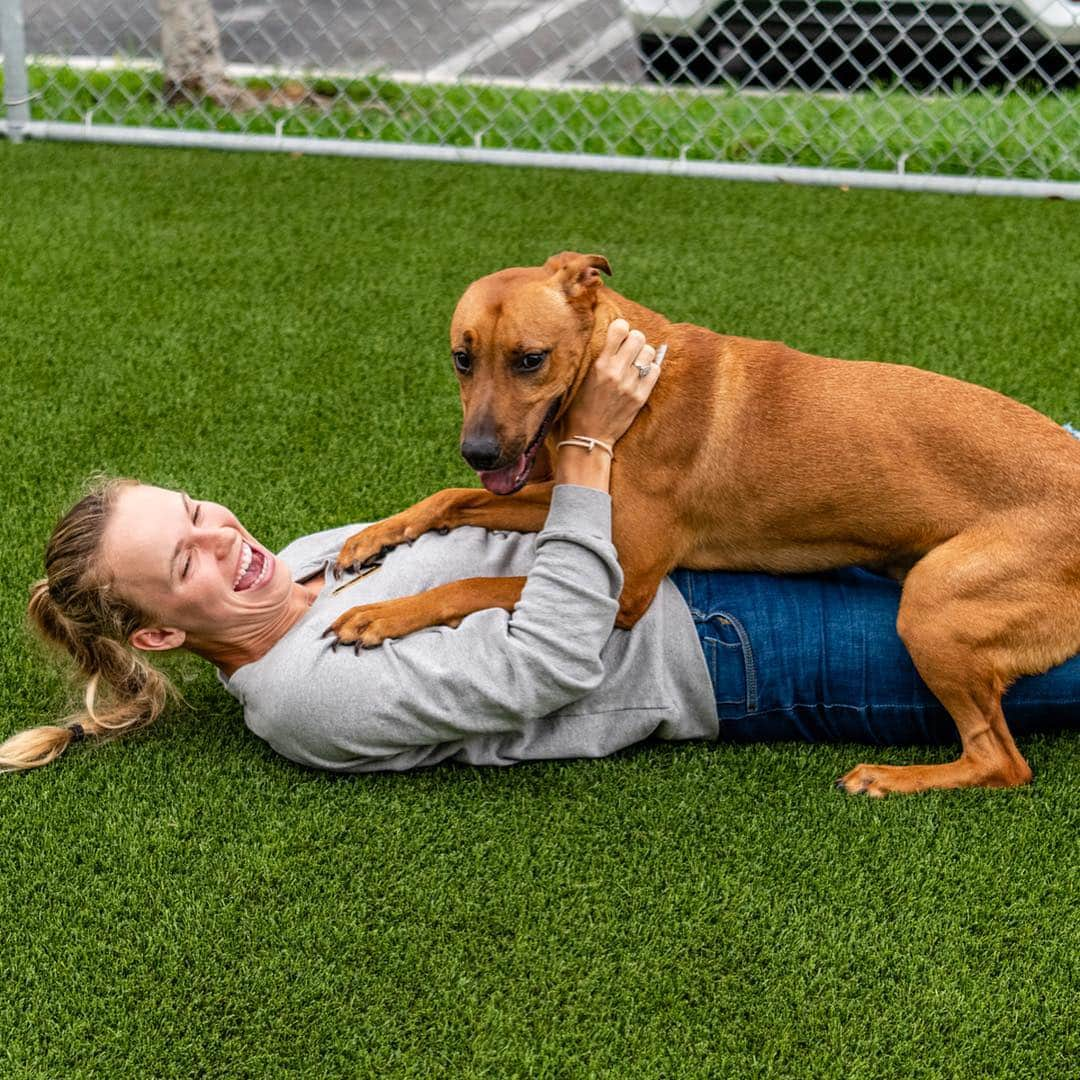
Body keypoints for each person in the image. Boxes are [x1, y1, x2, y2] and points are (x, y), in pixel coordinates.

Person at [3, 322, 1078, 775]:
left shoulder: (310, 557)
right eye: (187, 561)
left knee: (1035, 479)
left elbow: (523, 521)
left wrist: (450, 507)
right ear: (157, 628)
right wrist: (596, 447)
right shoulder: (302, 702)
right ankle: (986, 757)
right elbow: (560, 655)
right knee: (993, 623)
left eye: (195, 510)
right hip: (726, 653)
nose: (222, 537)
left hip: (712, 552)